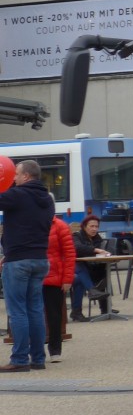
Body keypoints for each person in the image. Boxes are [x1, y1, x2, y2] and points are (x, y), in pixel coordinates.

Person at [0, 159, 55, 371]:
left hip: (19, 260)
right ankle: (38, 358)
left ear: (25, 176)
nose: (12, 178)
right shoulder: (47, 199)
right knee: (35, 310)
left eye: (16, 175)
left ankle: (20, 360)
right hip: (40, 258)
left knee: (18, 312)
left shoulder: (18, 195)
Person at [43, 214, 76, 362]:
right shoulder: (30, 222)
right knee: (33, 314)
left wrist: (67, 279)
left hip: (54, 277)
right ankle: (36, 350)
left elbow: (69, 253)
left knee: (54, 315)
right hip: (34, 277)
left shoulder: (60, 226)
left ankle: (55, 349)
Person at [71, 214, 114, 320]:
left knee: (103, 271)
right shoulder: (77, 236)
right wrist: (96, 250)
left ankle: (105, 308)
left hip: (90, 270)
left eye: (96, 226)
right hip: (75, 270)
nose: (94, 229)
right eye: (92, 226)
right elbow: (78, 248)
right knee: (78, 275)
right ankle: (91, 292)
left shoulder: (97, 237)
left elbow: (105, 248)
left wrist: (106, 253)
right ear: (84, 226)